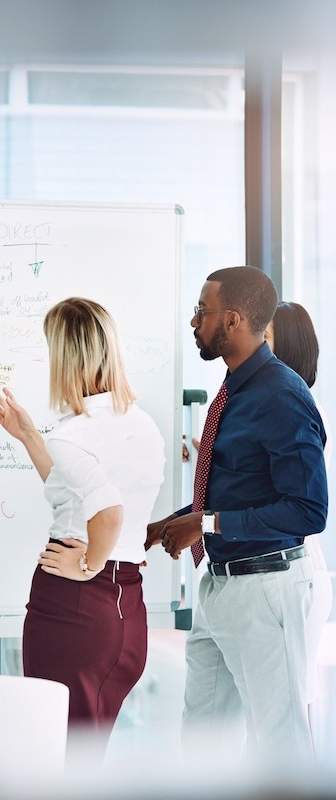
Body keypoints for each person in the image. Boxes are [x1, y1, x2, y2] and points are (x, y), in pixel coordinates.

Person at [146, 267, 328, 762]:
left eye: (202, 311)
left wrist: (203, 524)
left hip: (264, 590)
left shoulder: (283, 398)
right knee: (203, 743)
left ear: (233, 319)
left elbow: (308, 510)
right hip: (219, 587)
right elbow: (235, 488)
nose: (193, 320)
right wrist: (171, 522)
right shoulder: (234, 391)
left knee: (278, 749)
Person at [0, 297, 165, 749]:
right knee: (83, 755)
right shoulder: (141, 424)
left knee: (57, 753)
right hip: (127, 609)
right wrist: (30, 436)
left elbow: (108, 513)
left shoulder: (73, 436)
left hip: (75, 607)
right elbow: (71, 493)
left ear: (65, 359)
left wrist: (87, 564)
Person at [264, 301, 332, 731]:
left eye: (265, 338)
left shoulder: (298, 408)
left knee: (292, 711)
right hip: (295, 567)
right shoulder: (287, 404)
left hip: (298, 567)